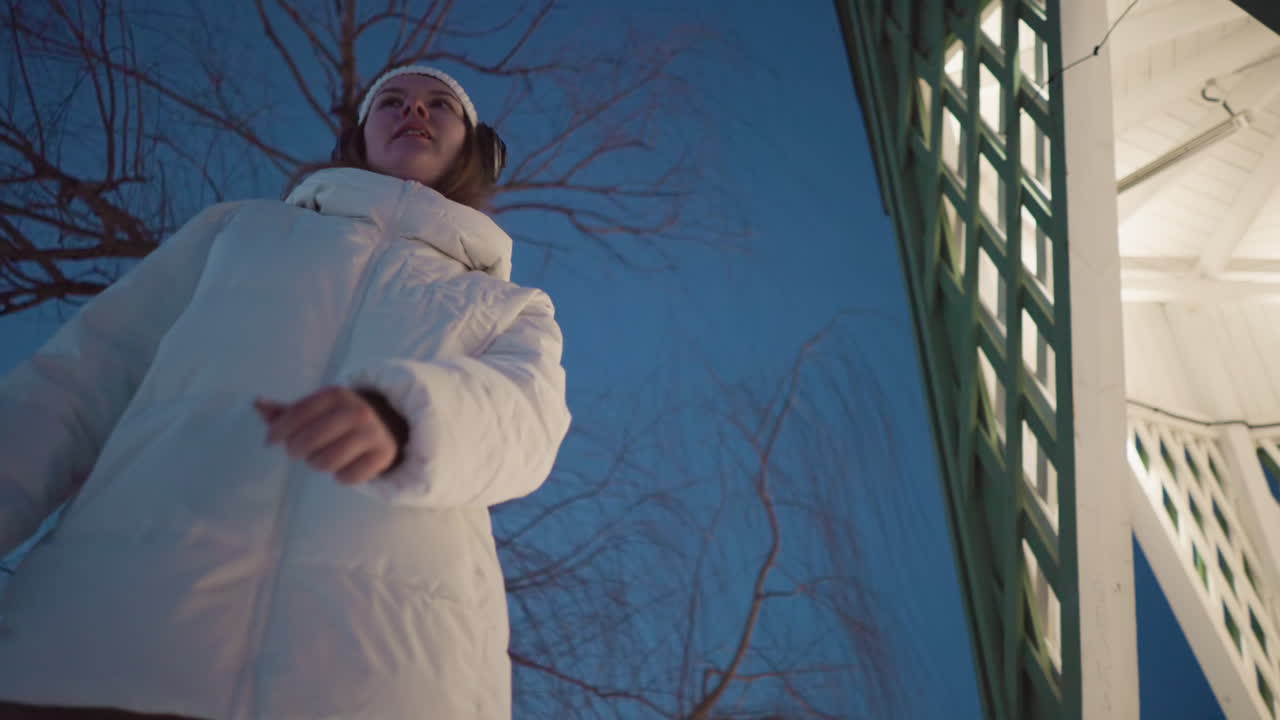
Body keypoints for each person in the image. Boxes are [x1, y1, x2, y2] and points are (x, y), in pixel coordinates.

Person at [0, 65, 571, 719]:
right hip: (100, 646)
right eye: (391, 100)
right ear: (358, 137)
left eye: (440, 104)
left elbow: (527, 419)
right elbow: (75, 384)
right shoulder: (238, 232)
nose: (415, 110)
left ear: (477, 148)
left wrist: (407, 416)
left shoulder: (508, 305)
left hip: (386, 679)